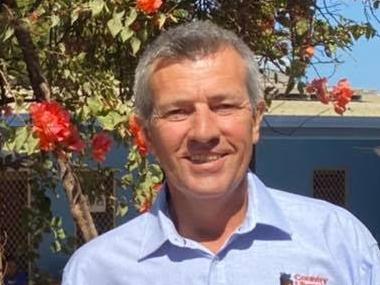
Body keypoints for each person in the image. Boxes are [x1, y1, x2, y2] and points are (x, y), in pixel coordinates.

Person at [62, 21, 380, 285]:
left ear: (256, 120)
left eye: (224, 106)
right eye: (178, 111)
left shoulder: (340, 243)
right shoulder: (96, 272)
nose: (205, 132)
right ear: (146, 134)